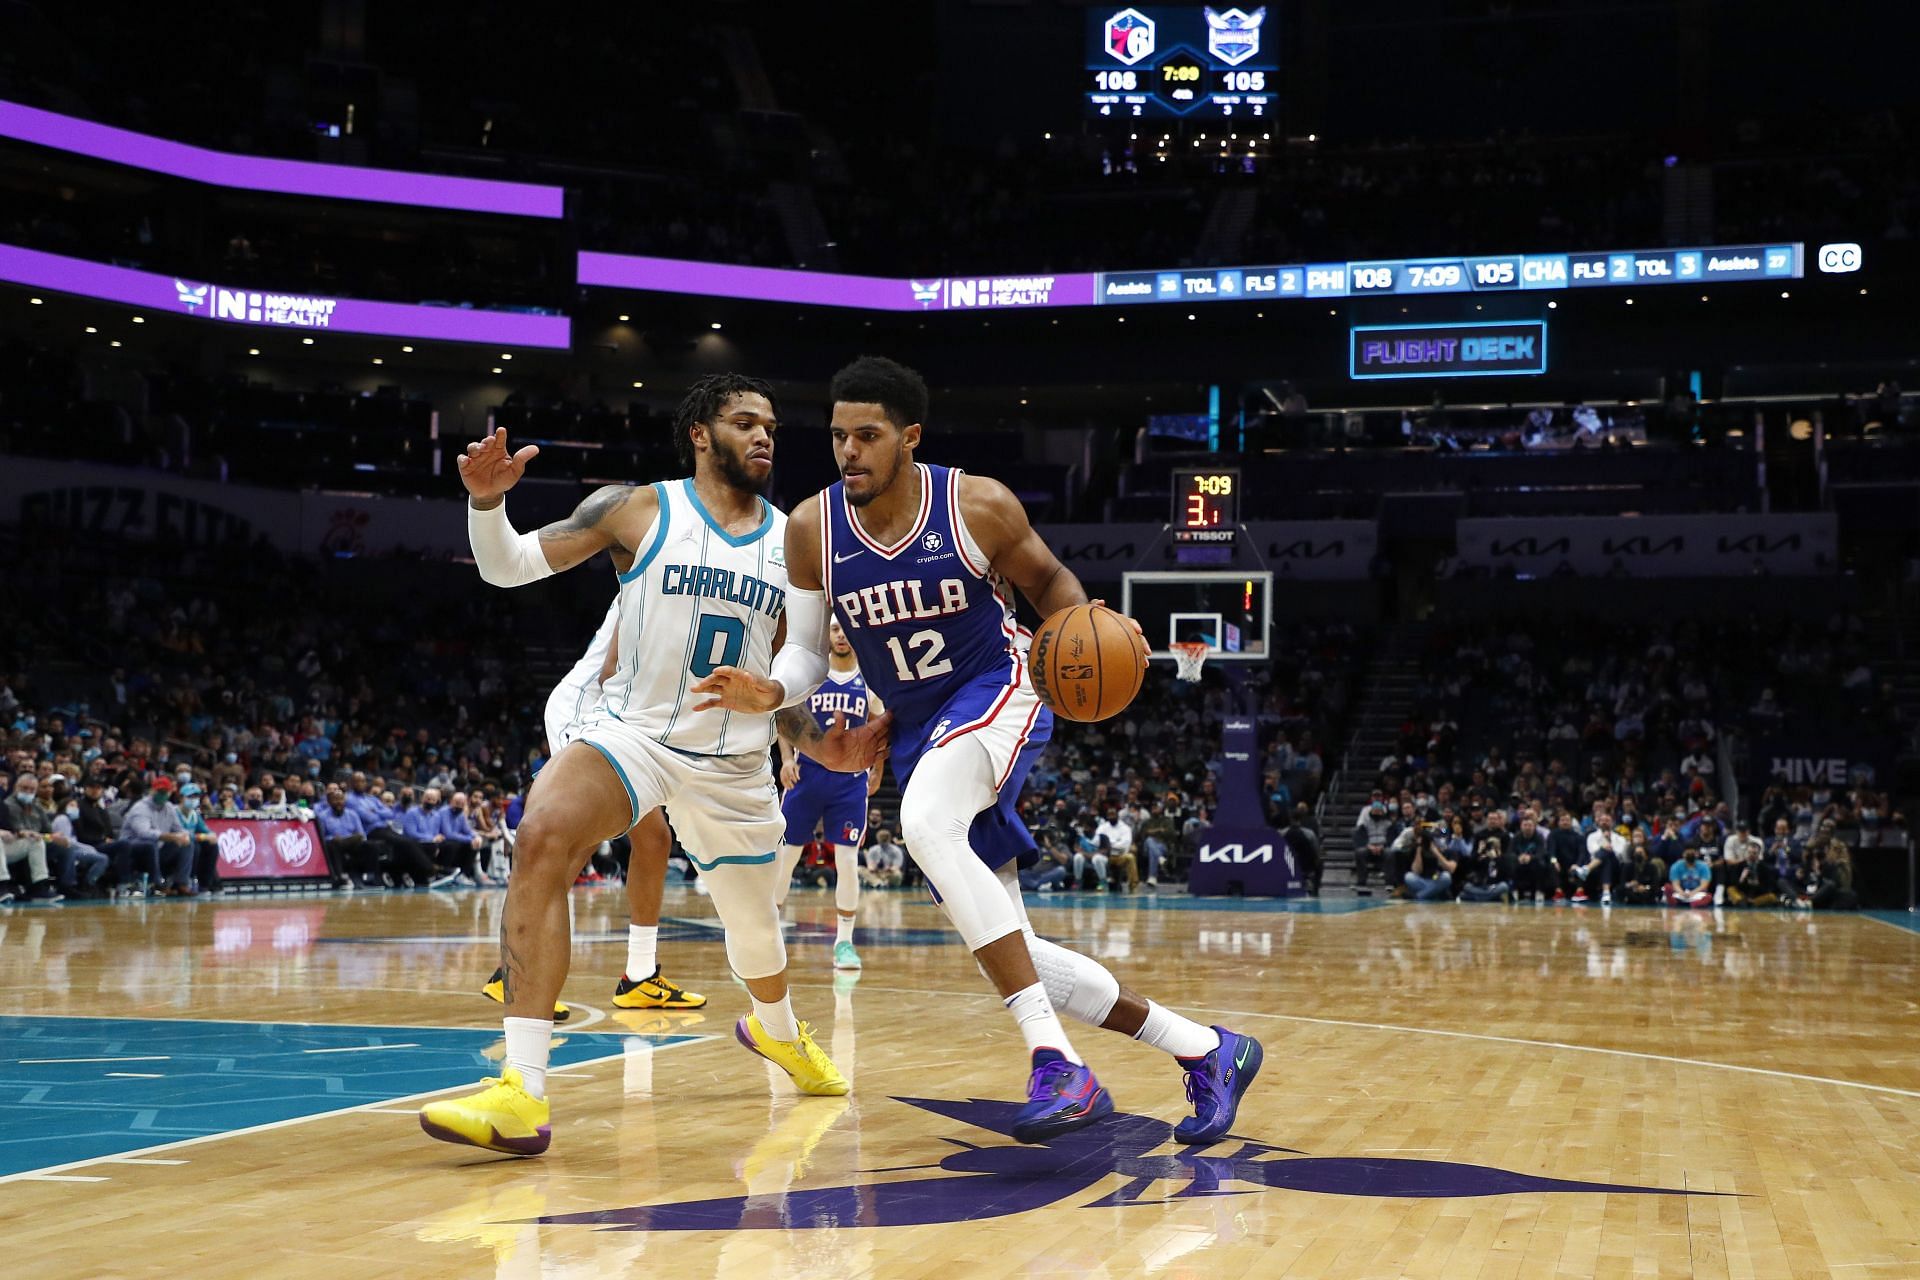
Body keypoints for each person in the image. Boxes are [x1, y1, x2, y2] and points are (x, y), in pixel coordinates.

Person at [692, 355, 1262, 1146]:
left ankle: (1057, 1064)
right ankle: (1207, 1049)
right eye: (836, 436)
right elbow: (808, 657)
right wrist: (776, 694)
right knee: (1010, 946)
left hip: (999, 686)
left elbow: (1053, 585)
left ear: (909, 438)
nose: (848, 451)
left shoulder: (976, 505)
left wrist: (1092, 631)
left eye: (868, 435)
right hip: (918, 725)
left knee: (927, 824)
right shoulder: (811, 527)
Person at [422, 375, 886, 1158]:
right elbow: (507, 569)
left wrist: (795, 719)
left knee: (754, 934)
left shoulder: (796, 541)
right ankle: (521, 1094)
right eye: (745, 423)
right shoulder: (635, 509)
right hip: (633, 736)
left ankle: (776, 1031)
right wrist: (487, 505)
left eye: (770, 424)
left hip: (733, 764)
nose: (764, 435)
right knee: (541, 834)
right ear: (701, 435)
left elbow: (801, 655)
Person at [479, 596, 709, 1023]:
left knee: (654, 839)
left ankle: (639, 975)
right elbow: (611, 673)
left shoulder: (697, 570)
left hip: (623, 717)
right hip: (591, 711)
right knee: (571, 843)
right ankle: (510, 970)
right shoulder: (653, 570)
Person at [776, 618, 885, 970]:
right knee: (787, 857)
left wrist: (877, 770)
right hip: (807, 776)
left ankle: (844, 943)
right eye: (835, 629)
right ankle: (768, 936)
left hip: (850, 783)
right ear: (828, 633)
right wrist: (786, 759)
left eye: (845, 630)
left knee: (848, 861)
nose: (840, 636)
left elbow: (879, 728)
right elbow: (787, 716)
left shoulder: (870, 678)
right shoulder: (812, 674)